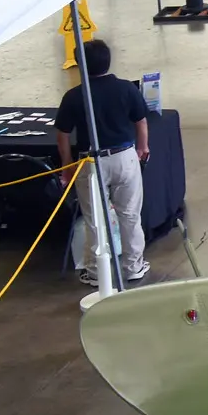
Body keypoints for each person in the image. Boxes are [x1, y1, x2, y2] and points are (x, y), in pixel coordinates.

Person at [54, 39, 151, 285]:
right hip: (124, 157)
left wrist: (67, 164)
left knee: (95, 219)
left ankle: (97, 273)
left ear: (79, 65)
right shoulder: (126, 89)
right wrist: (143, 147)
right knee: (130, 214)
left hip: (91, 161)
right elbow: (141, 120)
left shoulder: (74, 96)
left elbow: (63, 133)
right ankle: (133, 267)